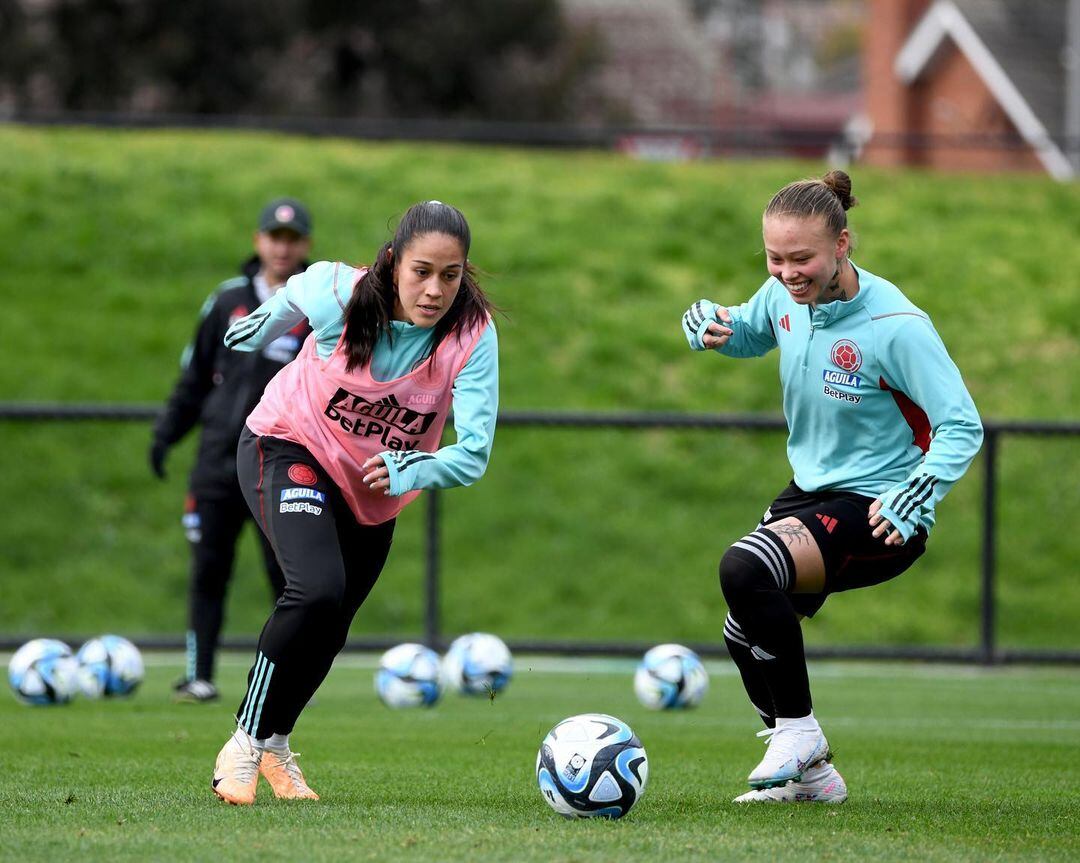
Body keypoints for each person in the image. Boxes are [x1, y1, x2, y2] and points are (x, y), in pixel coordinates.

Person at [681, 170, 982, 804]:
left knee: (744, 569)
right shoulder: (782, 295)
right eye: (775, 258)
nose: (788, 273)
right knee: (743, 628)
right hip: (809, 492)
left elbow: (961, 424)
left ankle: (799, 731)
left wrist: (919, 490)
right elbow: (753, 330)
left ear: (843, 244)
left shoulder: (897, 325)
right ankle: (813, 778)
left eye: (803, 259)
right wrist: (716, 327)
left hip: (881, 509)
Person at [210, 200, 498, 805]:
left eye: (450, 275)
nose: (434, 289)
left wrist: (410, 465)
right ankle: (243, 742)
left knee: (332, 623)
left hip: (373, 487)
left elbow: (472, 453)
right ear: (393, 263)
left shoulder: (471, 335)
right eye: (421, 271)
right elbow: (299, 287)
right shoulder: (346, 294)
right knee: (313, 590)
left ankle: (277, 745)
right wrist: (267, 320)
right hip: (288, 443)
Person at [150, 198, 314, 703]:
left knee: (287, 578)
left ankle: (289, 681)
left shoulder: (318, 305)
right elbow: (195, 377)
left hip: (279, 462)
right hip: (218, 464)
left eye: (291, 239)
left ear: (304, 245)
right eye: (274, 237)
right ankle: (199, 676)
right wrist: (166, 434)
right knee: (209, 569)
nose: (281, 247)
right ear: (258, 240)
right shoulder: (226, 302)